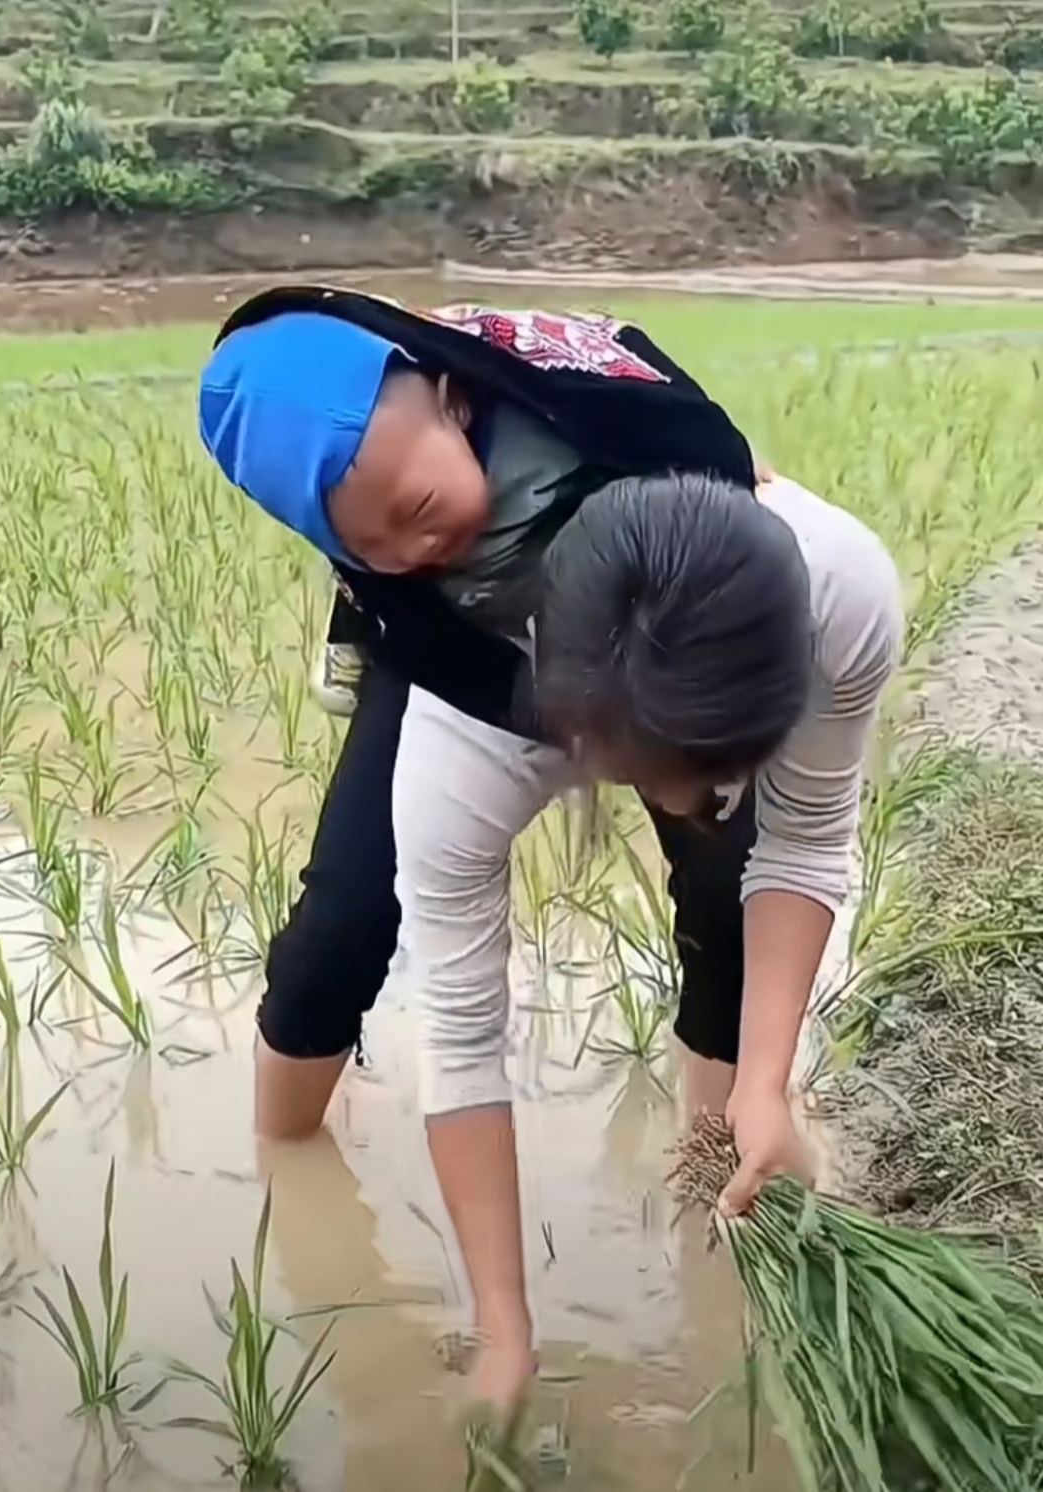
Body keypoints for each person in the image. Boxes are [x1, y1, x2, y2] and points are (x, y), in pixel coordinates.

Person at [199, 286, 903, 1408]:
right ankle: (284, 1142)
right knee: (345, 916)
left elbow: (809, 840)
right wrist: (503, 1336)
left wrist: (768, 1083)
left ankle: (721, 1168)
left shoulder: (835, 589)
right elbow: (468, 1035)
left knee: (727, 887)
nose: (410, 537)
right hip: (474, 657)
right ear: (578, 736)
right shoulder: (464, 728)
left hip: (671, 590)